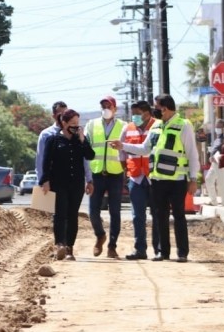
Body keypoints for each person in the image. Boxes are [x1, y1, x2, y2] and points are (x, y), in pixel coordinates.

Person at [110, 94, 200, 262]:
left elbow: (192, 154)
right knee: (160, 216)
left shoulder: (183, 125)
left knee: (179, 215)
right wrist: (123, 146)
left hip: (177, 179)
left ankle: (182, 252)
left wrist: (193, 179)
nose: (154, 110)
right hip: (157, 179)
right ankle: (163, 252)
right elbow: (144, 149)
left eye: (156, 107)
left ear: (165, 108)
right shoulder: (156, 126)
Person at [39, 109, 95, 261]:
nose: (76, 126)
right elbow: (46, 162)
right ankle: (60, 245)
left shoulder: (81, 140)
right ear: (64, 123)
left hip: (76, 183)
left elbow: (90, 156)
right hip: (58, 183)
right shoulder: (53, 140)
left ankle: (70, 247)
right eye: (72, 123)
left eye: (77, 123)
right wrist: (45, 180)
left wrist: (83, 140)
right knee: (60, 214)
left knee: (72, 215)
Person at [85, 95, 126, 259]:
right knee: (93, 211)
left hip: (115, 173)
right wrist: (86, 176)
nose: (106, 109)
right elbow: (85, 147)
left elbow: (128, 148)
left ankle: (112, 246)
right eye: (103, 107)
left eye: (109, 106)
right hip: (96, 173)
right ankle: (100, 235)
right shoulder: (91, 124)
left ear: (115, 109)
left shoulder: (123, 126)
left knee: (115, 212)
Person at [122, 101, 162, 260]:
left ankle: (159, 249)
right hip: (136, 177)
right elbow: (122, 151)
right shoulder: (128, 128)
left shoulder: (158, 126)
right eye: (133, 114)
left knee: (157, 215)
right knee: (137, 216)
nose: (135, 117)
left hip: (154, 177)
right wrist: (126, 170)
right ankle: (140, 249)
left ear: (147, 113)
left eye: (137, 114)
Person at [203, 119, 224, 205]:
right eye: (216, 126)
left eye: (219, 127)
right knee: (208, 179)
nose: (217, 128)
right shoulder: (217, 138)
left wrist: (215, 155)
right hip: (214, 163)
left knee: (222, 182)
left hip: (220, 162)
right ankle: (214, 201)